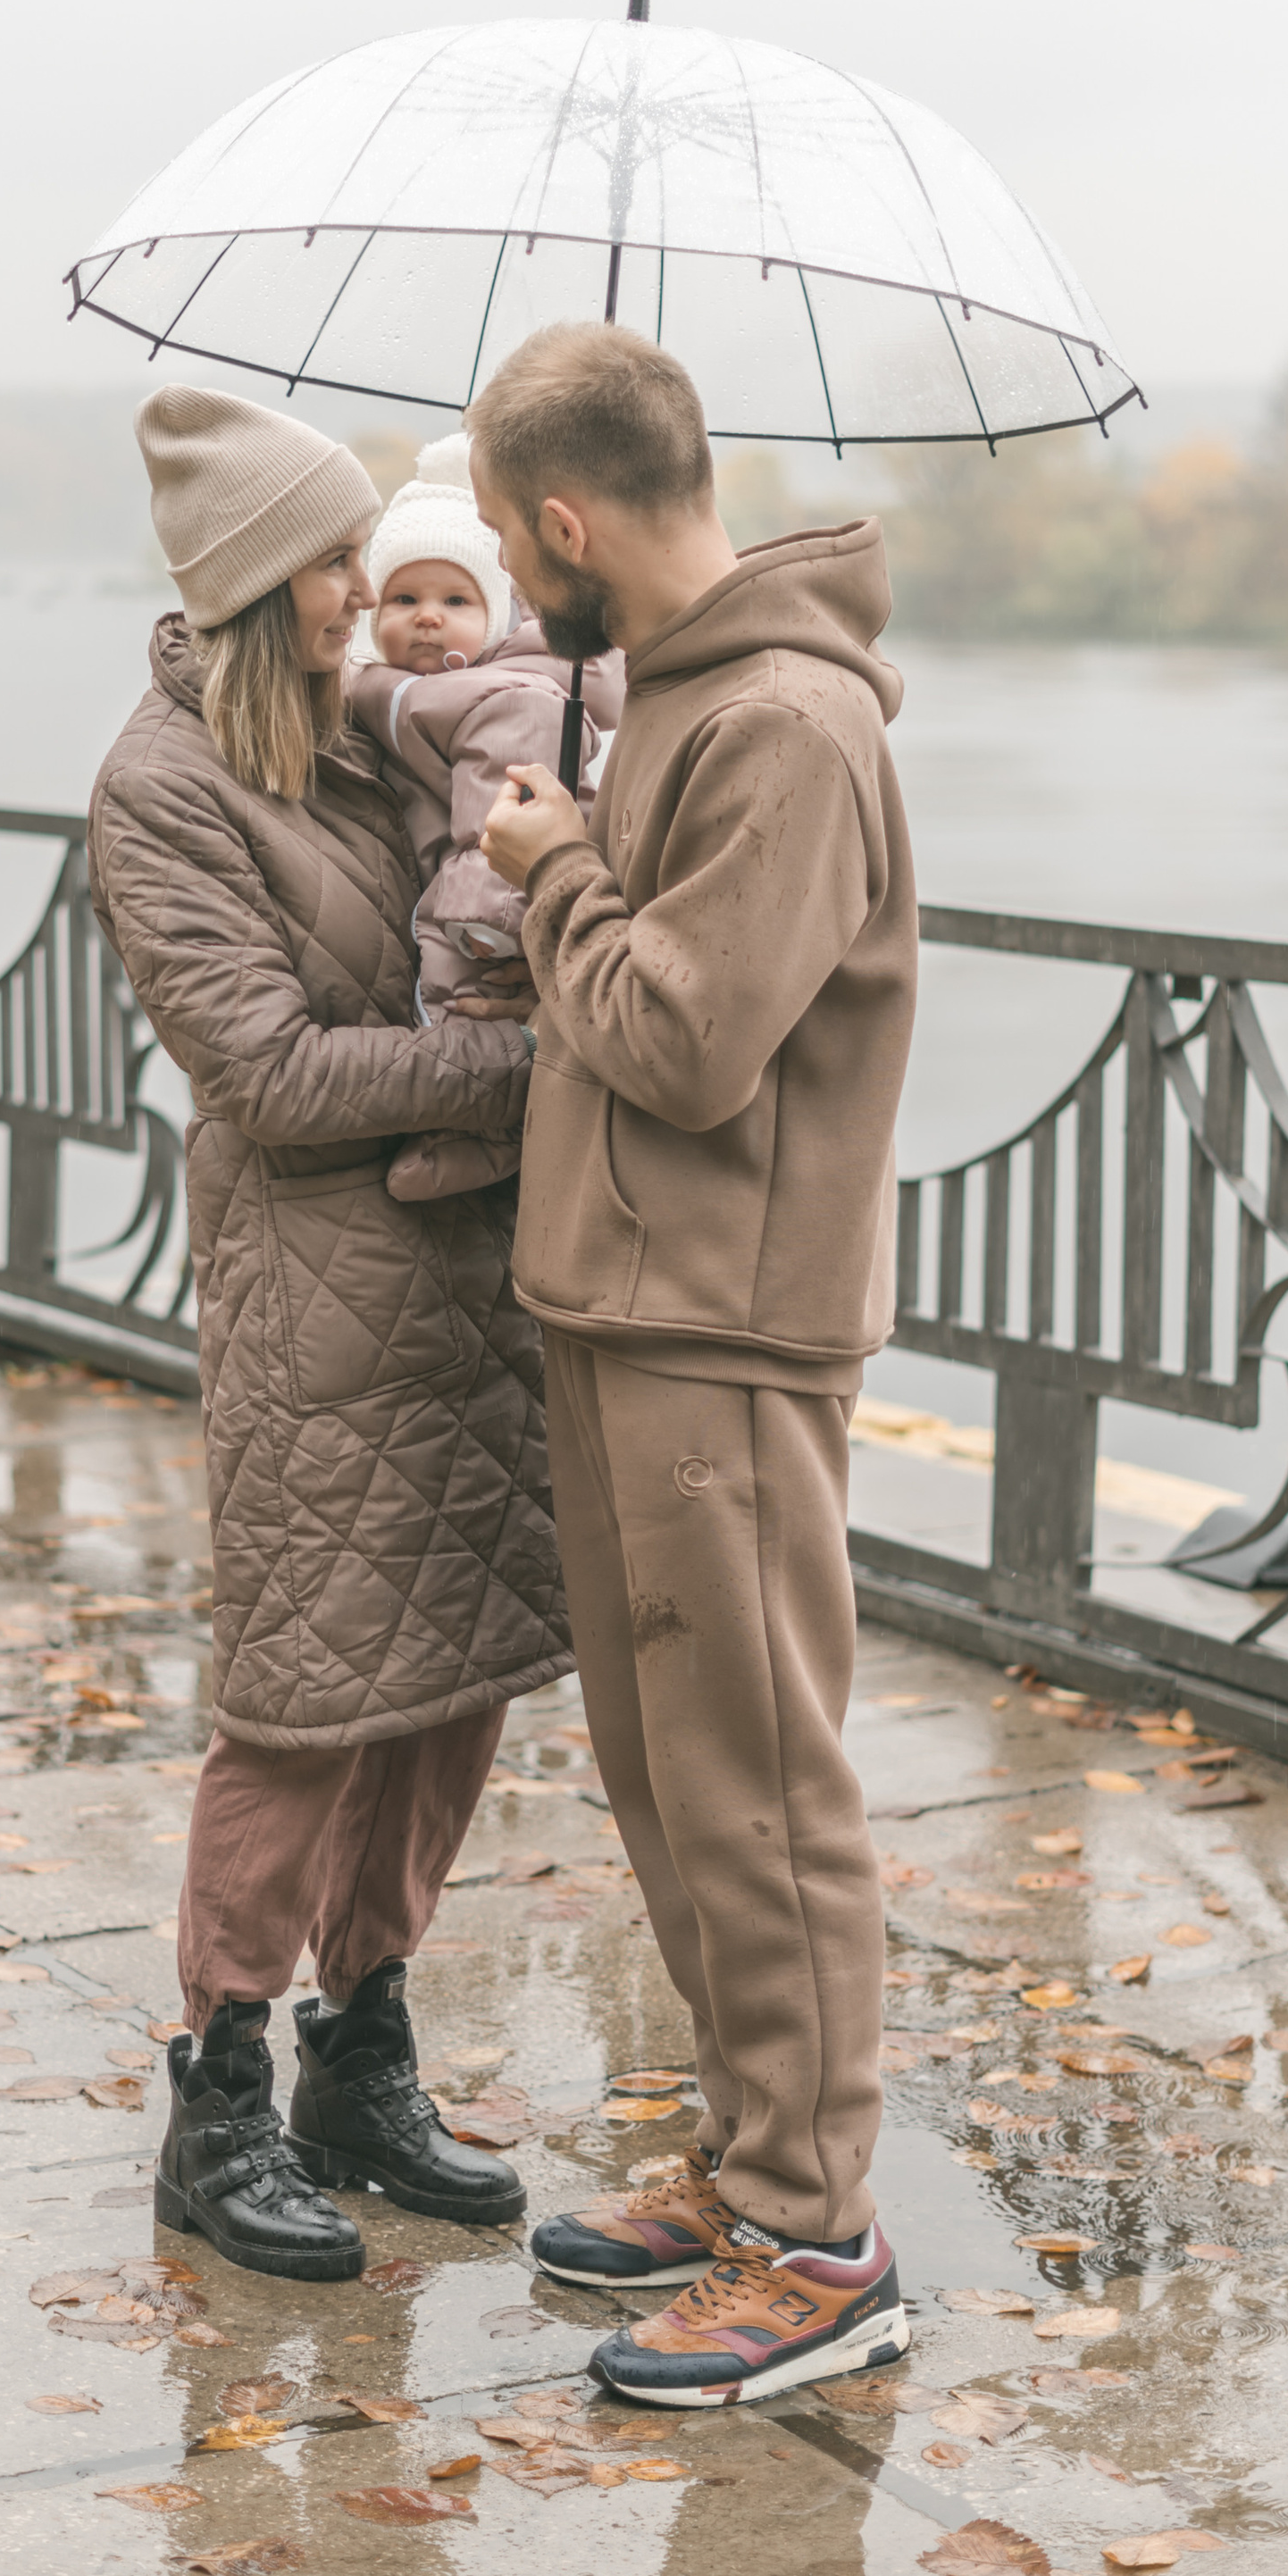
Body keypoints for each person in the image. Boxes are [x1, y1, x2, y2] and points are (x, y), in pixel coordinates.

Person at [467, 321, 918, 2406]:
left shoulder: (787, 728)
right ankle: (748, 2171)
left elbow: (679, 1036)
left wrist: (551, 865)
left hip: (722, 1324)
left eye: (501, 534)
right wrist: (576, 843)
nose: (502, 566)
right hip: (623, 1298)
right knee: (667, 1777)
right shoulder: (671, 697)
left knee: (759, 1785)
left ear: (563, 519)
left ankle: (822, 2236)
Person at [87, 383, 572, 2284]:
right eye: (335, 562)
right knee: (300, 1702)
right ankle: (215, 2100)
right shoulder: (163, 784)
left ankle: (356, 2057)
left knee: (449, 1682)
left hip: (468, 1279)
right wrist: (525, 1067)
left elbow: (493, 873)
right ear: (255, 581)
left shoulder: (374, 735)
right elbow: (269, 1072)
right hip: (317, 1299)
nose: (368, 588)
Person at [348, 431, 622, 1202]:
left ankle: (480, 1138)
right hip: (468, 885)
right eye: (404, 600)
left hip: (492, 896)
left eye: (455, 601)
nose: (428, 619)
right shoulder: (399, 688)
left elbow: (495, 814)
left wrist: (481, 914)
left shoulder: (509, 697)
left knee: (456, 995)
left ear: (495, 616)